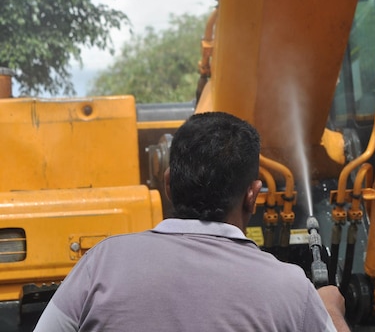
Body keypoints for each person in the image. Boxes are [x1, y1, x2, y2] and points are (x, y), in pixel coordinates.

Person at [34, 111, 349, 331]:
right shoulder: (292, 288)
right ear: (252, 195)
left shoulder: (100, 264)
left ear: (168, 185)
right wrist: (330, 310)